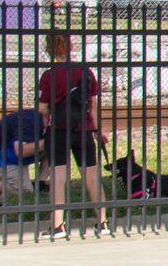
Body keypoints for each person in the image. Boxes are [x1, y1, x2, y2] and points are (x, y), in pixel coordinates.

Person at [35, 30, 111, 239]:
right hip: (83, 130)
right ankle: (102, 222)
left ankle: (58, 226)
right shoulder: (85, 72)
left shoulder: (49, 76)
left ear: (48, 49)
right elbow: (92, 105)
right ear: (70, 46)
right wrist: (98, 130)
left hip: (58, 131)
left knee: (58, 178)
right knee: (91, 176)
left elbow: (42, 108)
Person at [0, 107, 44, 196]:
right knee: (25, 192)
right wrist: (49, 140)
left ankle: (39, 184)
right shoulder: (29, 121)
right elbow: (20, 151)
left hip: (16, 155)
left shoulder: (46, 119)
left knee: (55, 148)